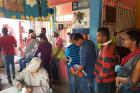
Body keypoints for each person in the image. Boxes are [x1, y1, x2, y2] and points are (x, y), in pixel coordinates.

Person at [94, 27, 118, 93]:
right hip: (107, 80)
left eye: (98, 36)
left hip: (105, 82)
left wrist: (99, 78)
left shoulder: (107, 50)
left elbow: (106, 68)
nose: (96, 38)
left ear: (104, 37)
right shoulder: (107, 45)